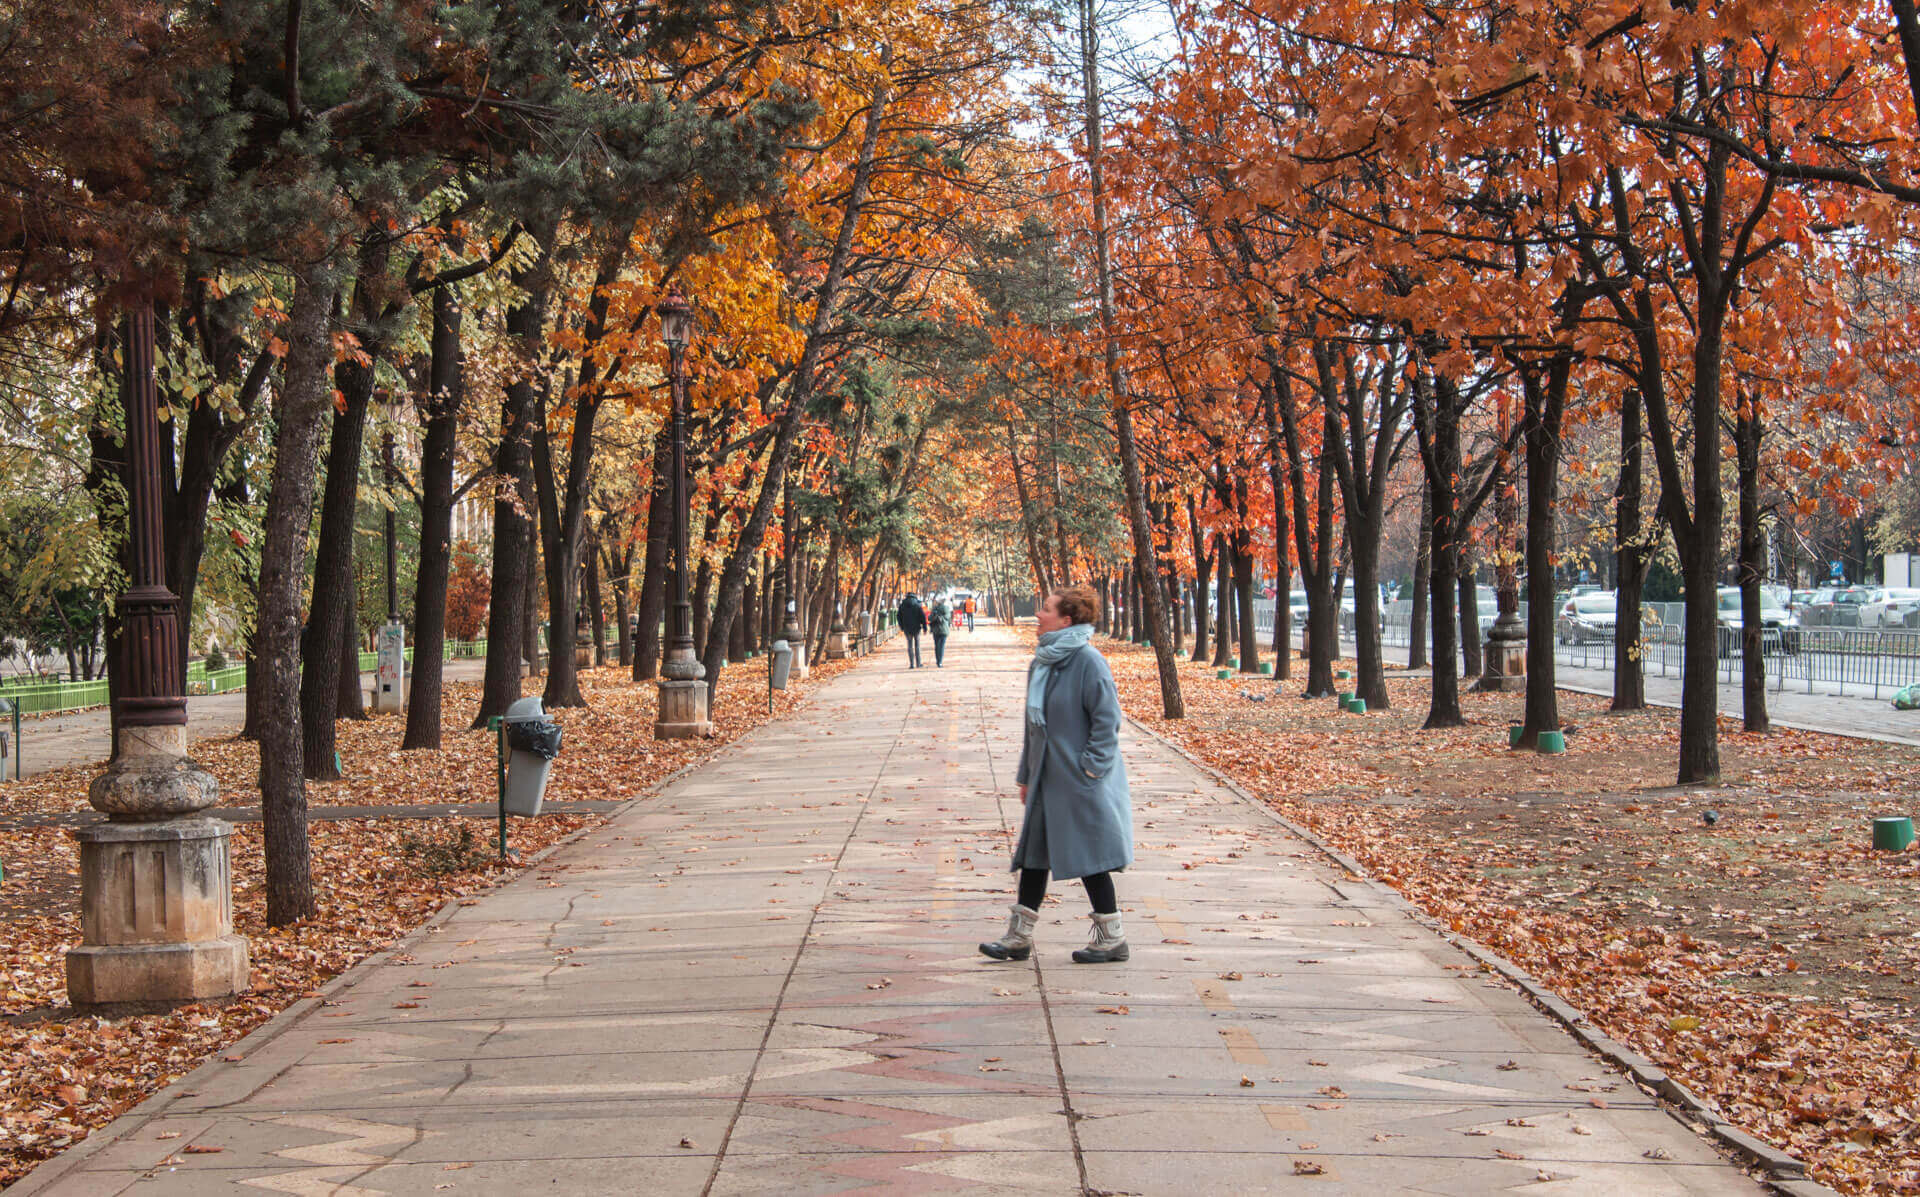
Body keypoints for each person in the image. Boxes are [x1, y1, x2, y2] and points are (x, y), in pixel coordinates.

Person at [980, 584, 1132, 965]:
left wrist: (1089, 769)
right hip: (1047, 780)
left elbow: (1107, 721)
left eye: (1046, 609)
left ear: (1066, 620)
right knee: (1034, 855)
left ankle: (1113, 938)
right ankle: (1018, 938)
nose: (1039, 614)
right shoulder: (1042, 663)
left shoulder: (1088, 662)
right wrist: (1026, 775)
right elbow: (1033, 727)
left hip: (1080, 782)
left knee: (1090, 858)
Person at [897, 592, 927, 668]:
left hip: (907, 628)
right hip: (917, 628)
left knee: (910, 646)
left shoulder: (902, 605)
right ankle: (918, 663)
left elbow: (898, 617)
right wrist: (924, 628)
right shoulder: (917, 605)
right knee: (917, 646)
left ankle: (912, 664)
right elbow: (923, 617)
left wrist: (902, 627)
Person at [928, 595, 953, 667]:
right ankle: (940, 662)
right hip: (944, 630)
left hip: (935, 629)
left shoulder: (934, 609)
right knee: (942, 646)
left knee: (936, 646)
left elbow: (929, 618)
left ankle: (937, 660)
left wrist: (935, 616)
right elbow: (948, 618)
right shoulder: (946, 608)